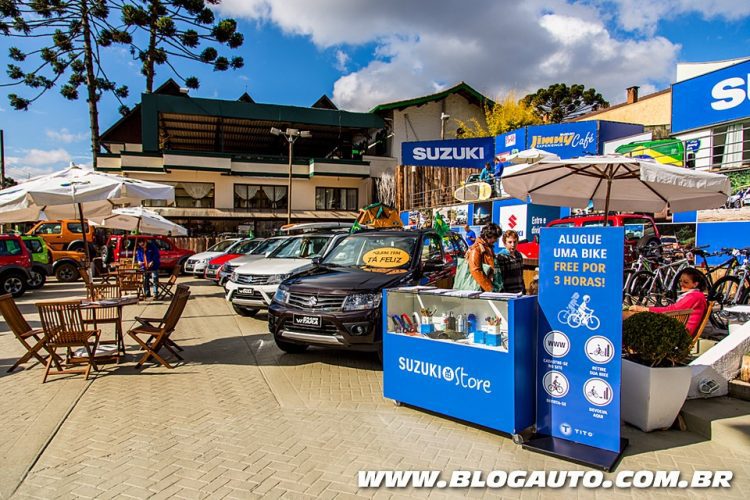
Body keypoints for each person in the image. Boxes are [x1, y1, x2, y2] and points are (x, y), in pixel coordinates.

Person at [628, 268, 707, 336]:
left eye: (686, 282)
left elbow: (672, 310)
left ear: (695, 284)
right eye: (680, 281)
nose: (682, 284)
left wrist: (645, 309)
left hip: (679, 334)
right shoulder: (695, 295)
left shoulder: (694, 296)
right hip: (678, 328)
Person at [465, 223, 501, 292]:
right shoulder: (476, 249)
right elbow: (475, 271)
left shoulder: (487, 247)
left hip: (486, 289)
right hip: (479, 291)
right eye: (495, 238)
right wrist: (490, 289)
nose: (496, 240)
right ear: (488, 236)